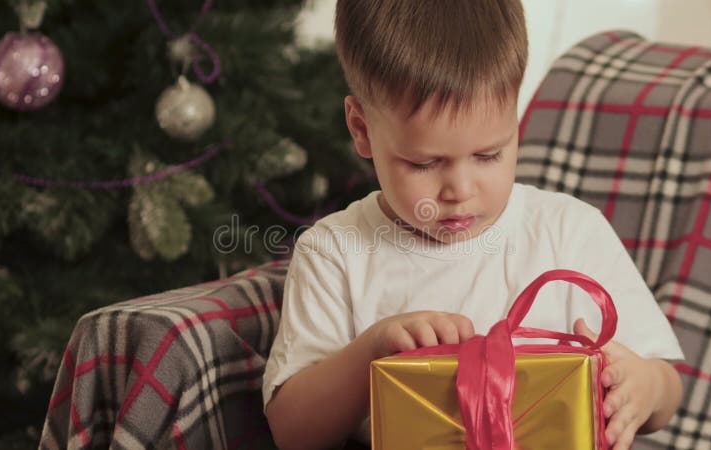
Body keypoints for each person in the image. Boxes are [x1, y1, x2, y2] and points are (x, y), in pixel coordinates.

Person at [263, 1, 684, 449]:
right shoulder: (335, 251)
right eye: (424, 163)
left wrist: (646, 387)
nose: (460, 190)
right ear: (362, 129)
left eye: (489, 155)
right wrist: (370, 353)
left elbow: (666, 387)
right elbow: (292, 433)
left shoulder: (570, 230)